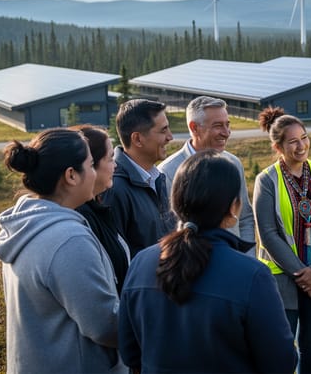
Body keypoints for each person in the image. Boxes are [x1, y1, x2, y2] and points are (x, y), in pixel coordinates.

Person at [118, 150, 297, 373]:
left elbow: (129, 351)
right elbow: (281, 361)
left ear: (175, 203)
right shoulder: (251, 275)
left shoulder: (141, 263)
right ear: (234, 208)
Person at [0, 128, 125, 373]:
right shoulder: (69, 240)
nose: (95, 172)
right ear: (71, 176)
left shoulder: (25, 225)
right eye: (90, 165)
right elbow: (105, 326)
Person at [253, 106, 311, 374]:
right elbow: (268, 234)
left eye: (304, 137)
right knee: (282, 348)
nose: (301, 145)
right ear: (277, 146)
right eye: (293, 141)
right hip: (282, 281)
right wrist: (300, 273)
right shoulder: (266, 180)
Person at [158, 96, 255, 251]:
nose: (226, 132)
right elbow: (169, 231)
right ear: (194, 127)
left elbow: (245, 218)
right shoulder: (167, 172)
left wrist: (247, 259)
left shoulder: (234, 163)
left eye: (227, 125)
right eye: (218, 126)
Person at [103, 98, 175, 256]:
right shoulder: (115, 189)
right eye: (163, 131)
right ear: (137, 139)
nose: (170, 137)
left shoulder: (158, 179)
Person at [72, 124, 131, 294]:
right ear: (90, 165)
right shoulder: (82, 218)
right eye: (110, 158)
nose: (116, 166)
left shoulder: (98, 209)